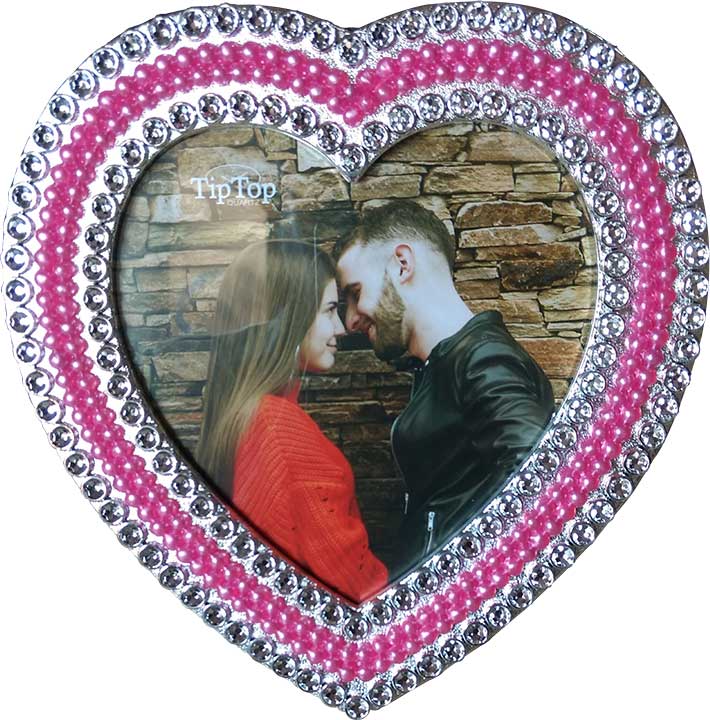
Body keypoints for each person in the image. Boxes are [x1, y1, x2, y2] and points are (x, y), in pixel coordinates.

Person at [334, 200, 555, 579]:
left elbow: (544, 489)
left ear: (401, 264)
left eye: (355, 292)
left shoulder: (483, 360)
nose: (351, 319)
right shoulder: (443, 363)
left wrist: (460, 584)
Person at [196, 240, 387, 603]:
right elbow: (351, 584)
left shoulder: (248, 412)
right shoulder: (277, 428)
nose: (341, 327)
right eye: (329, 310)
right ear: (288, 317)